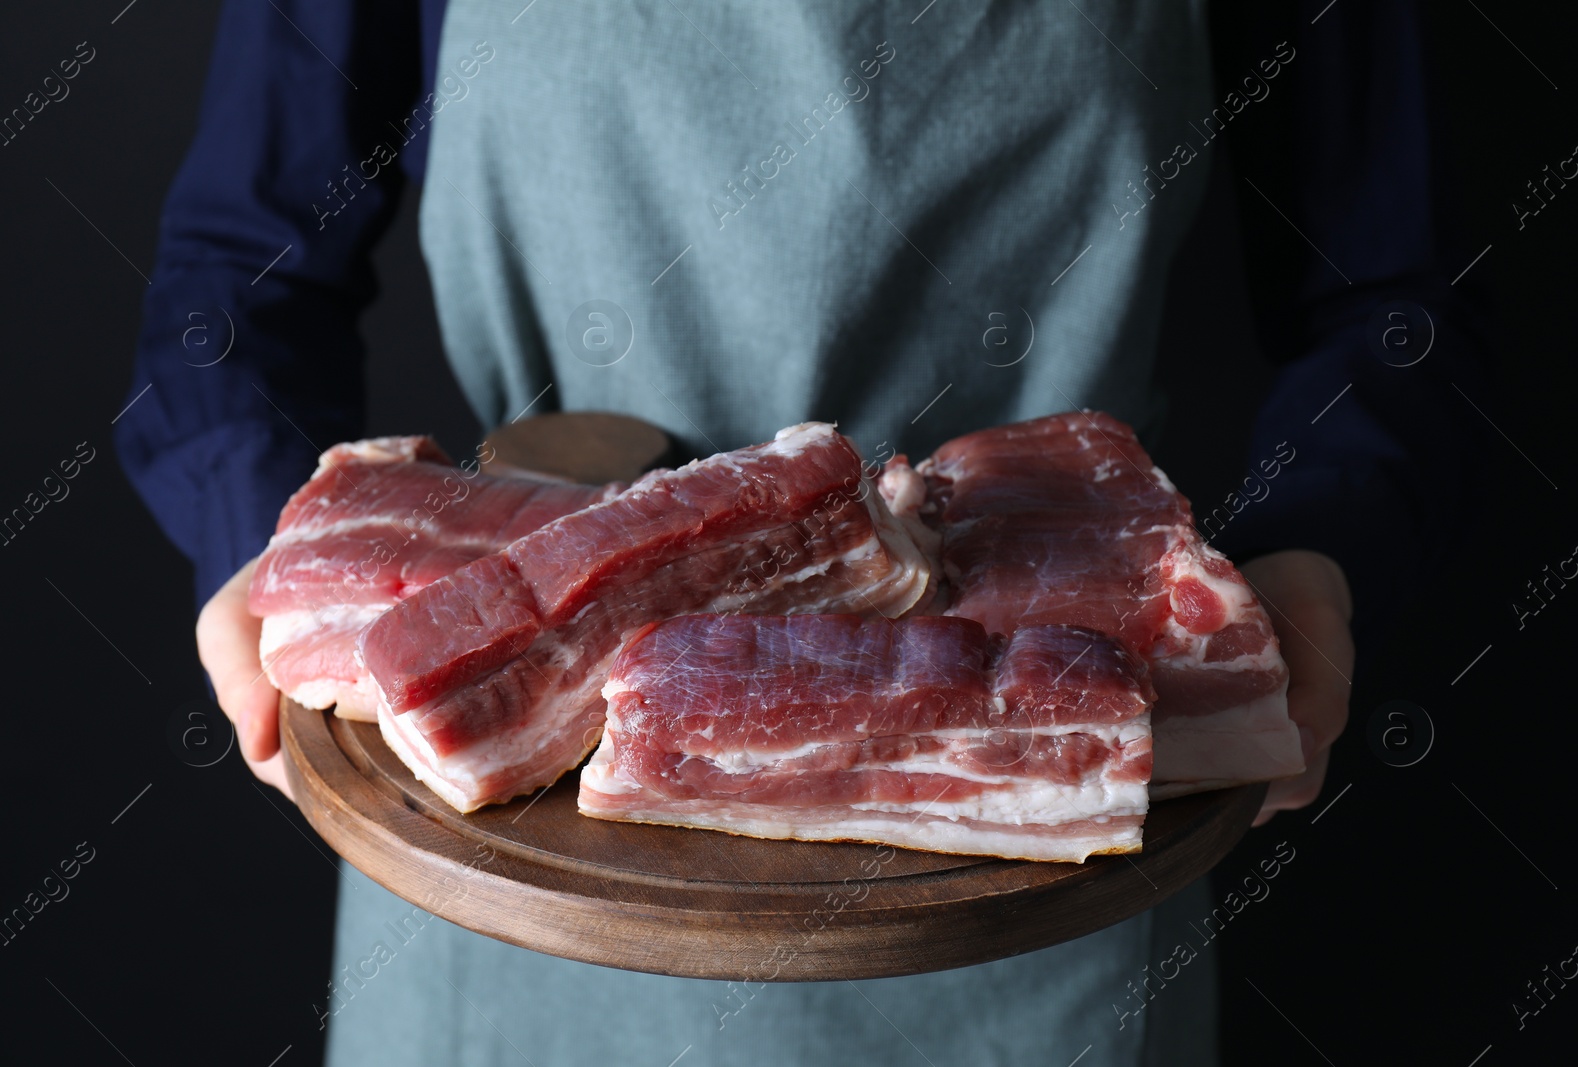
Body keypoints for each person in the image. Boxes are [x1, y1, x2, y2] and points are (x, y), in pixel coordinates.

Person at [117, 2, 1487, 1064]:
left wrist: (1321, 561)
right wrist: (270, 548)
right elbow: (231, 280)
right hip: (521, 795)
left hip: (1031, 794)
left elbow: (1390, 307)